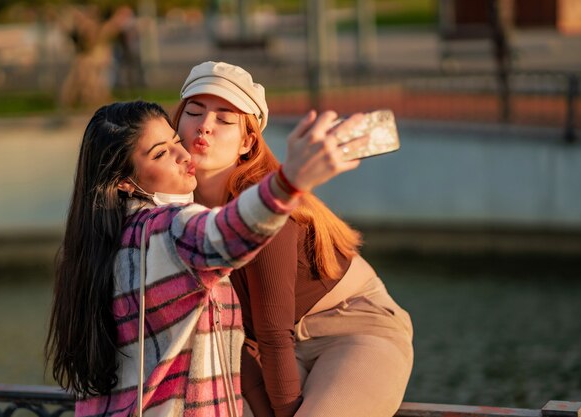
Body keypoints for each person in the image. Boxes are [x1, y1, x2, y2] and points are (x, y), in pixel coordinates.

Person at [45, 100, 367, 417]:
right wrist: (290, 180)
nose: (183, 154)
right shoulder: (167, 230)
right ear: (125, 182)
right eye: (160, 153)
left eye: (174, 141)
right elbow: (227, 233)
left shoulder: (94, 250)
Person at [173, 61, 414, 417]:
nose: (205, 126)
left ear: (247, 141)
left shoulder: (263, 203)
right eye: (194, 111)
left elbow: (273, 334)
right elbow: (223, 332)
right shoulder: (173, 212)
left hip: (354, 326)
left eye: (224, 120)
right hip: (262, 345)